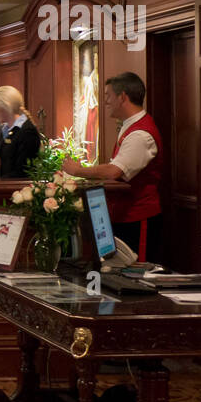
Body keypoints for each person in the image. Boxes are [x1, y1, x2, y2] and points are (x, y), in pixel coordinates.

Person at [62, 71, 163, 263]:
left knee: (135, 271)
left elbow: (115, 171)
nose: (105, 101)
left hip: (137, 216)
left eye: (108, 95)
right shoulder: (130, 126)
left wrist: (77, 171)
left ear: (122, 97)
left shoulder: (141, 134)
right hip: (124, 215)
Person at [0, 85, 41, 178]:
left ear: (6, 107)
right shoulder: (6, 130)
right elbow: (5, 166)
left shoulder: (27, 132)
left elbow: (22, 172)